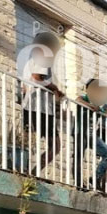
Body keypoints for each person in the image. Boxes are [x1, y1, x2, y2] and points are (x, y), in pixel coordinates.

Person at [20, 32, 64, 173]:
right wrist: (55, 88)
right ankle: (32, 172)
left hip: (32, 106)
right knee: (55, 146)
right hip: (40, 108)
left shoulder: (30, 60)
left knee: (28, 140)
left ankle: (25, 170)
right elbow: (36, 78)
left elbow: (26, 85)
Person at [73, 79, 107, 190]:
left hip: (92, 135)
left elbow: (103, 113)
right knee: (78, 157)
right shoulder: (84, 98)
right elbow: (77, 100)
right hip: (80, 131)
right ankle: (78, 183)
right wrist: (92, 107)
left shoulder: (99, 103)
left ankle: (95, 178)